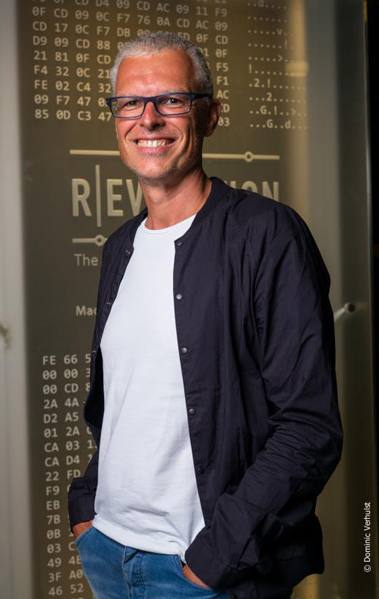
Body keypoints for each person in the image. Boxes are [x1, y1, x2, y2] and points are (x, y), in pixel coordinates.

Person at [68, 32, 343, 599]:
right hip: (108, 552)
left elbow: (309, 426)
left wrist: (217, 556)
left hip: (201, 571)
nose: (148, 119)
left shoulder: (267, 234)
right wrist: (86, 511)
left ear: (210, 115)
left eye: (171, 100)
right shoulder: (119, 247)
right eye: (130, 102)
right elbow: (121, 404)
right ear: (116, 119)